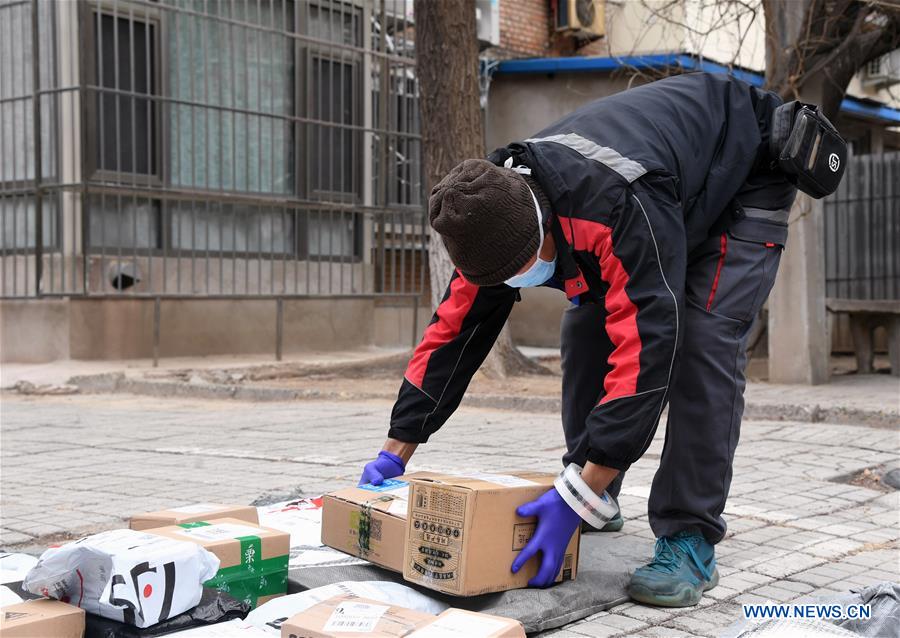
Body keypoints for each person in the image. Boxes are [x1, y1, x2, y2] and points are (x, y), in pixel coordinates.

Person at [358, 72, 813, 607]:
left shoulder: (611, 205)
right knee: (584, 326)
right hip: (665, 187)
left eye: (524, 268)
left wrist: (576, 496)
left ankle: (689, 537)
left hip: (741, 172)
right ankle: (597, 490)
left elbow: (647, 347)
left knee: (701, 343)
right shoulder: (488, 213)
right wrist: (396, 449)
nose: (520, 281)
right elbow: (452, 333)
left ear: (544, 225)